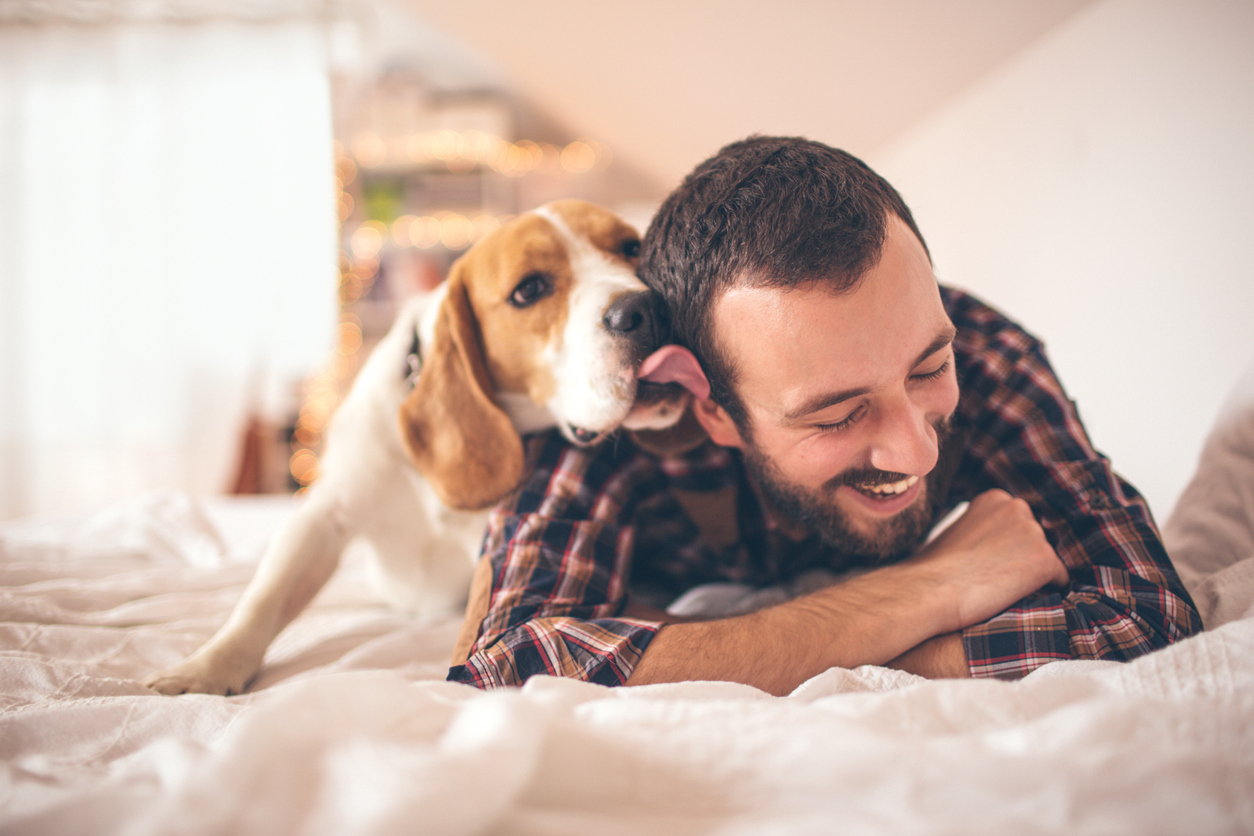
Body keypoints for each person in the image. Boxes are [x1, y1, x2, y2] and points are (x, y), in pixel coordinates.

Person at [447, 136, 1202, 695]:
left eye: (929, 369)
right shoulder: (622, 406)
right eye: (836, 416)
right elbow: (506, 668)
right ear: (710, 409)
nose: (916, 451)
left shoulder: (986, 352)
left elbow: (1143, 614)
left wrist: (714, 655)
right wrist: (929, 588)